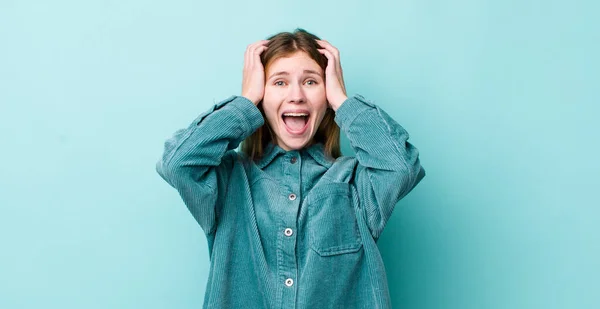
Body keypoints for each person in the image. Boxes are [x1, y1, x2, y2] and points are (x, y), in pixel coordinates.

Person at [156, 28, 426, 309]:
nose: (296, 95)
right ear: (262, 95)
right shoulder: (227, 182)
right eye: (280, 83)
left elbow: (401, 168)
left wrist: (342, 101)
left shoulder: (357, 183)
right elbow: (178, 163)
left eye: (311, 81)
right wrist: (246, 101)